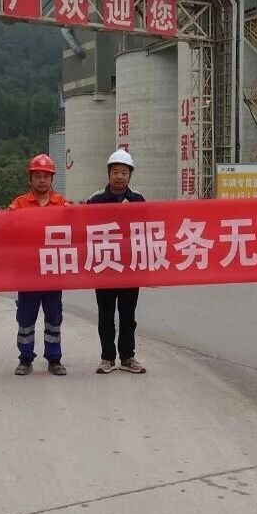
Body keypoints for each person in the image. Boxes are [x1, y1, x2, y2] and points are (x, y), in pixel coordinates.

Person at [9, 154, 70, 377]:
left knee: (54, 317)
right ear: (30, 178)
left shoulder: (63, 204)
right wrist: (10, 216)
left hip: (53, 271)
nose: (42, 180)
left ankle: (54, 358)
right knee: (26, 318)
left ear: (52, 179)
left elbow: (76, 231)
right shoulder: (19, 204)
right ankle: (25, 359)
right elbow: (6, 231)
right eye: (38, 176)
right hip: (28, 273)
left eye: (46, 176)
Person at [87, 150, 147, 375]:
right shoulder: (96, 200)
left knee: (128, 315)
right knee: (106, 315)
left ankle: (127, 357)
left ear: (130, 175)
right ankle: (107, 358)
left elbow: (146, 231)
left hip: (130, 267)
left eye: (124, 172)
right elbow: (85, 230)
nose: (120, 177)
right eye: (116, 172)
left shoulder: (138, 199)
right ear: (108, 173)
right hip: (104, 266)